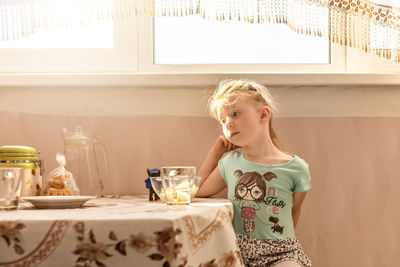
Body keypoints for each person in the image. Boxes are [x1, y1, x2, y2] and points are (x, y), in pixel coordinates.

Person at [196, 80, 312, 267]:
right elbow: (197, 190)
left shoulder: (296, 168)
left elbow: (294, 211)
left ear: (263, 114)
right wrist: (216, 152)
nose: (229, 124)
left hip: (282, 253)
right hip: (237, 253)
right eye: (223, 120)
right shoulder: (230, 163)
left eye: (235, 114)